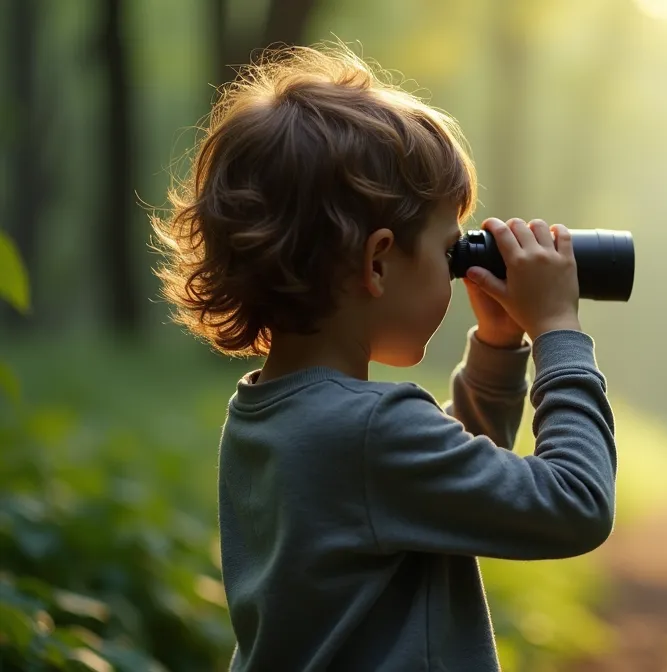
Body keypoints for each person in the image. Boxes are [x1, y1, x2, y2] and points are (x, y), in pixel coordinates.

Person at [150, 42, 617, 671]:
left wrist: (501, 345)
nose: (457, 275)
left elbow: (445, 484)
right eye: (452, 253)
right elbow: (575, 504)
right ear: (376, 262)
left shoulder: (268, 414)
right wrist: (559, 333)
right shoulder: (367, 430)